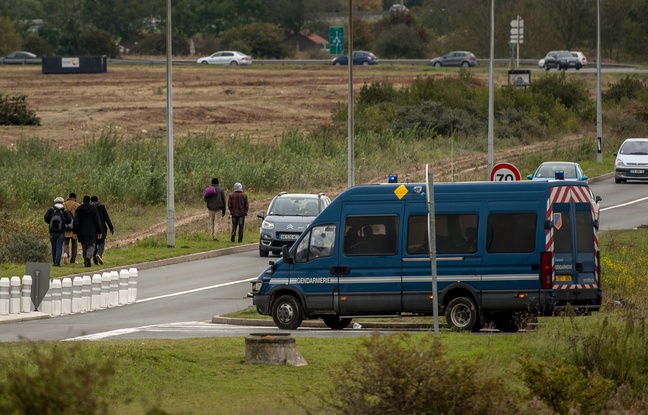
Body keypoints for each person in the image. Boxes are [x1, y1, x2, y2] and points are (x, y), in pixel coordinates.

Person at [73, 195, 102, 268]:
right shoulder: (93, 209)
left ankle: (85, 260)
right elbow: (97, 220)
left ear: (83, 201)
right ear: (89, 201)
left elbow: (76, 221)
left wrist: (75, 232)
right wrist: (99, 231)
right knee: (91, 245)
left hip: (81, 231)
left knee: (84, 246)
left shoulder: (79, 209)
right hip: (91, 230)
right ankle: (88, 257)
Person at [44, 197, 73, 267]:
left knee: (53, 246)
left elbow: (45, 217)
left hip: (52, 231)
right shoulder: (64, 210)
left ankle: (54, 261)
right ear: (62, 202)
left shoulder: (51, 210)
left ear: (55, 202)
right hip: (61, 231)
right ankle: (57, 263)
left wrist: (50, 222)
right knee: (59, 246)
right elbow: (69, 219)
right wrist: (64, 222)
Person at [91, 195, 114, 265]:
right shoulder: (102, 207)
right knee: (101, 243)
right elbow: (107, 218)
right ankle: (99, 254)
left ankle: (95, 260)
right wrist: (111, 227)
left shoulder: (90, 208)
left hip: (93, 228)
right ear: (98, 200)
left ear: (91, 201)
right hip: (102, 227)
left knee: (94, 244)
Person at [62, 192, 80, 264]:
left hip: (65, 227)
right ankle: (73, 259)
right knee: (74, 244)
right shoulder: (77, 205)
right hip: (74, 228)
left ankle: (66, 254)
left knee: (66, 242)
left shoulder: (63, 205)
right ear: (75, 198)